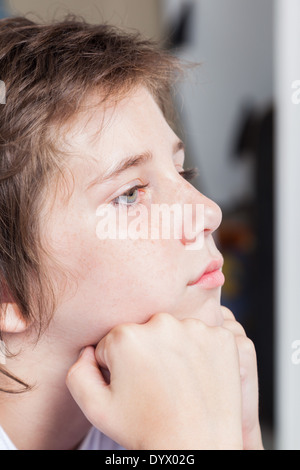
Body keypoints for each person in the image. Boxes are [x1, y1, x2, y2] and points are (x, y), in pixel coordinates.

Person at [0, 15, 263, 450]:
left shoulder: (179, 395)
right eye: (130, 194)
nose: (208, 213)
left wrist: (240, 430)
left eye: (184, 172)